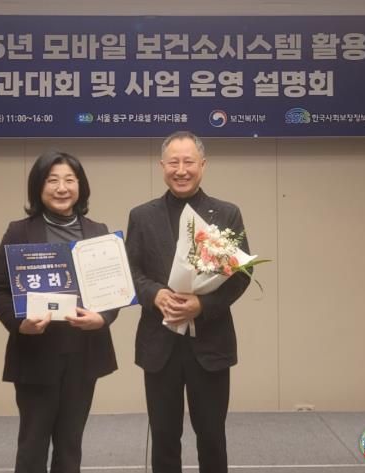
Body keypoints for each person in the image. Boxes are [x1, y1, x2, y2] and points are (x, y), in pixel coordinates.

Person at [125, 131, 252, 473]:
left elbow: (241, 274)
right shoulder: (142, 216)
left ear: (203, 165)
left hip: (210, 344)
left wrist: (203, 305)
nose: (181, 170)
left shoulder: (226, 214)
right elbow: (131, 271)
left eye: (189, 162)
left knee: (212, 437)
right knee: (164, 438)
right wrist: (154, 294)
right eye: (173, 162)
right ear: (162, 166)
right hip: (159, 344)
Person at [0, 150, 118, 473]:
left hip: (83, 353)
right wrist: (20, 324)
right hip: (36, 353)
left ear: (80, 186)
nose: (62, 188)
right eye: (52, 180)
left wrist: (103, 318)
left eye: (69, 180)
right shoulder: (18, 232)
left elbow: (113, 291)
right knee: (32, 446)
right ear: (38, 187)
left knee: (70, 445)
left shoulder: (98, 231)